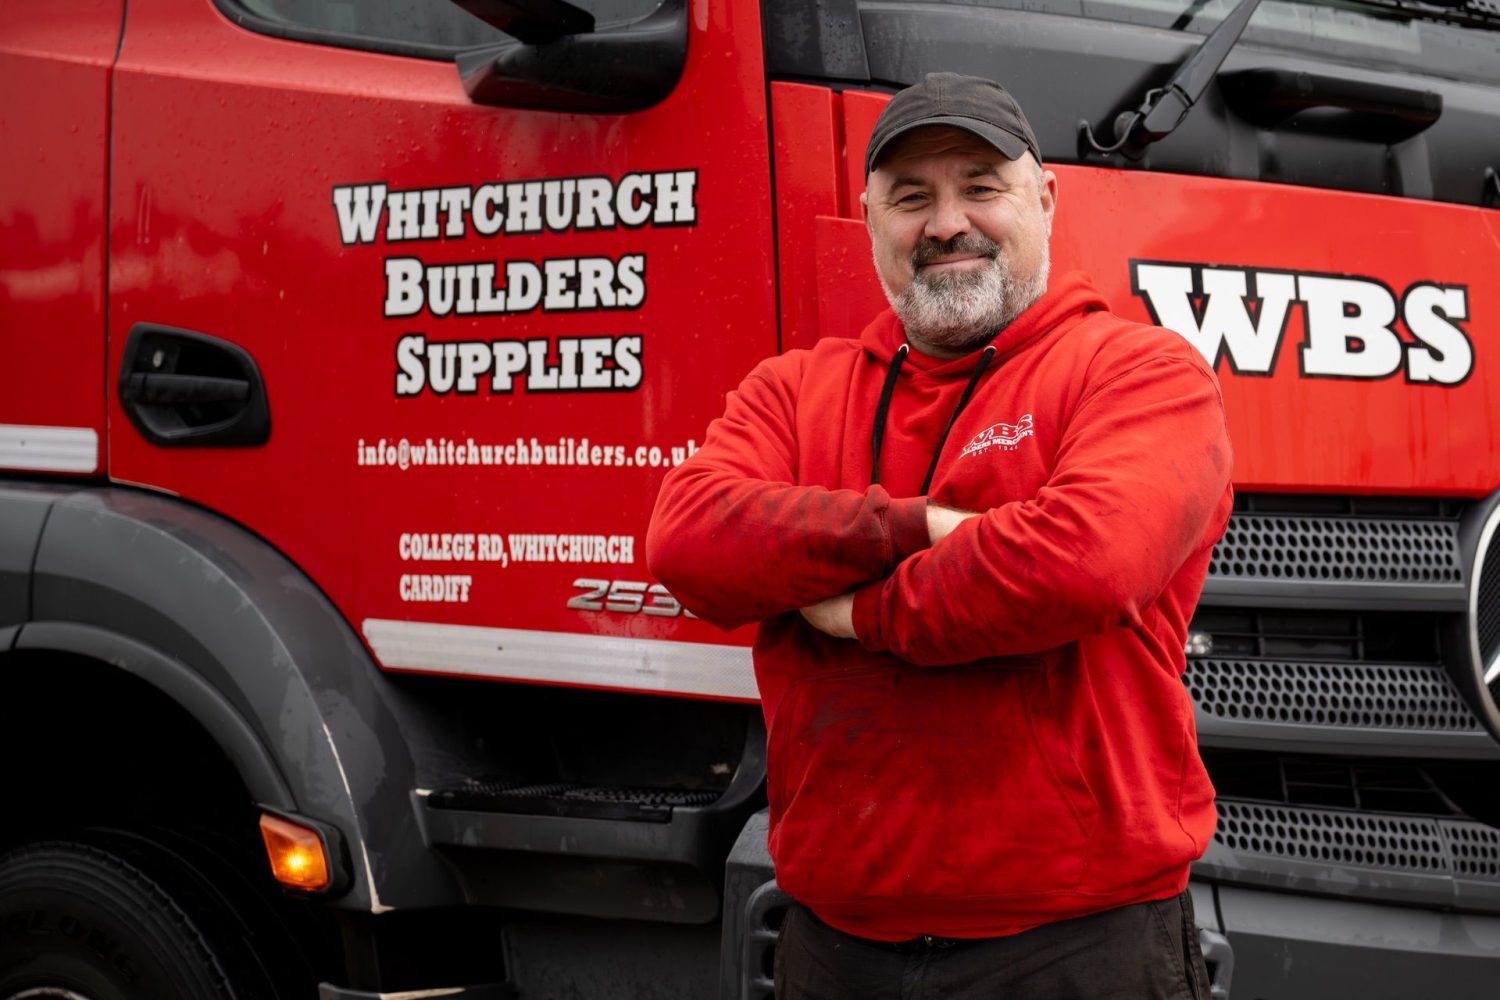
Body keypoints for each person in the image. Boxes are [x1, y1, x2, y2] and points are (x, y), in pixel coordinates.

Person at [647, 72, 1230, 998]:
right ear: (870, 220)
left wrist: (849, 612)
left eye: (981, 186)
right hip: (835, 948)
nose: (946, 222)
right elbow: (689, 543)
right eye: (911, 197)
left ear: (1044, 198)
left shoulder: (1140, 374)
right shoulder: (796, 391)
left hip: (1079, 950)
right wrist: (913, 525)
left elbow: (1082, 565)